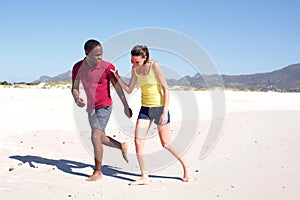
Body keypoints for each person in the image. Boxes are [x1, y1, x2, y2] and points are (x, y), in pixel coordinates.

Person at [111, 45, 190, 185]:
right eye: (132, 61)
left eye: (137, 62)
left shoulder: (155, 66)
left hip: (159, 108)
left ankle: (185, 165)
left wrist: (165, 111)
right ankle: (144, 176)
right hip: (145, 109)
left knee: (166, 143)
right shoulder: (134, 70)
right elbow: (129, 89)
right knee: (138, 141)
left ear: (145, 58)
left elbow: (165, 88)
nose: (134, 64)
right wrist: (117, 77)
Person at [71, 39, 132, 181]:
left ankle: (98, 172)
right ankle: (121, 145)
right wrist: (77, 98)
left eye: (101, 54)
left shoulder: (107, 67)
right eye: (96, 55)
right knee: (101, 137)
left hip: (105, 106)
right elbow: (74, 87)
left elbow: (117, 88)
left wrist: (125, 106)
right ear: (87, 53)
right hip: (91, 108)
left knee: (95, 137)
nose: (100, 58)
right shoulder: (78, 67)